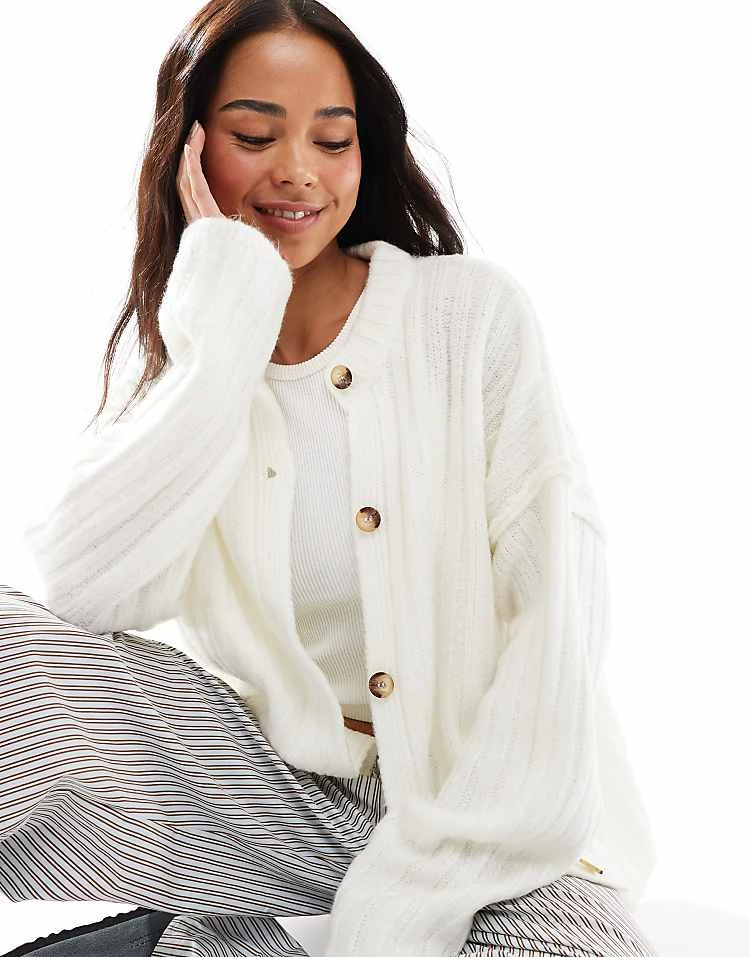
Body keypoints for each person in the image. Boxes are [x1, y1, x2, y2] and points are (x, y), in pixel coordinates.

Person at [0, 2, 661, 956]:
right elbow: (83, 590)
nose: (297, 170)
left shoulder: (469, 316)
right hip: (283, 803)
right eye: (254, 136)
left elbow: (554, 628)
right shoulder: (201, 364)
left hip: (505, 819)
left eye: (332, 138)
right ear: (191, 151)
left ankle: (183, 935)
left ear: (366, 152)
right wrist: (224, 323)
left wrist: (396, 910)